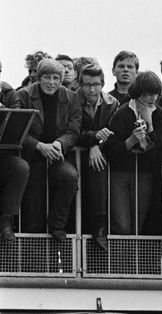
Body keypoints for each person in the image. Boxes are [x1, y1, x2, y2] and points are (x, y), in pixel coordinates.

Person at [17, 59, 81, 240]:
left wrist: (59, 144)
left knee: (70, 176)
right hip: (31, 157)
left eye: (56, 78)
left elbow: (74, 130)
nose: (51, 82)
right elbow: (18, 129)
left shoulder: (71, 97)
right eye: (47, 77)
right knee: (33, 211)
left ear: (61, 80)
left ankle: (57, 224)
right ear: (39, 78)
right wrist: (39, 146)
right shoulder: (24, 95)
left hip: (57, 154)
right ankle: (33, 259)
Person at [102, 71, 162, 235]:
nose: (152, 98)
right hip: (120, 173)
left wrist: (150, 124)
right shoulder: (122, 112)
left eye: (155, 94)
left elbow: (160, 148)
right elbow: (110, 148)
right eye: (147, 94)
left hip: (145, 174)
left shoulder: (160, 114)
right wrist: (130, 141)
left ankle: (134, 260)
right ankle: (120, 260)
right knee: (122, 226)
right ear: (138, 93)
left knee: (137, 226)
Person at [76, 64, 119, 251]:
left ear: (102, 84)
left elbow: (114, 132)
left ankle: (100, 227)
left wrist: (97, 145)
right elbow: (71, 130)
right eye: (87, 85)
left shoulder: (113, 103)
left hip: (101, 157)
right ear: (80, 84)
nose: (91, 89)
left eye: (95, 84)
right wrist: (92, 140)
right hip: (78, 154)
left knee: (99, 169)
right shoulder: (72, 101)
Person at [0, 61, 29, 242]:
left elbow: (17, 125)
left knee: (20, 167)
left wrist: (4, 114)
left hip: (3, 156)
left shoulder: (8, 94)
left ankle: (5, 220)